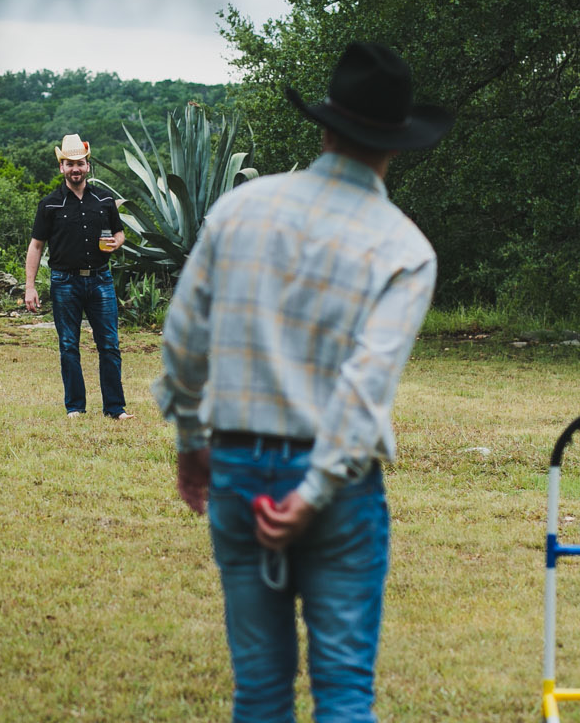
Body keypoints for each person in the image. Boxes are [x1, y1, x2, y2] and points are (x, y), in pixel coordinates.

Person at [153, 41, 453, 723]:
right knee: (344, 690)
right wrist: (315, 489)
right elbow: (364, 386)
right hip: (341, 492)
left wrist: (192, 439)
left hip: (235, 464)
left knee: (259, 690)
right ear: (397, 145)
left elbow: (183, 340)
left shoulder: (240, 210)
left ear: (324, 125)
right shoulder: (405, 250)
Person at [23, 133, 134, 420]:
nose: (76, 169)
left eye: (81, 163)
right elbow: (36, 246)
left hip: (101, 280)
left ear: (88, 166)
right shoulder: (49, 204)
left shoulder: (105, 200)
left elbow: (119, 233)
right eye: (70, 164)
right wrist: (30, 286)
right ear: (61, 167)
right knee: (69, 345)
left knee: (109, 344)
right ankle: (75, 408)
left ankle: (115, 409)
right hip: (64, 282)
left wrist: (117, 242)